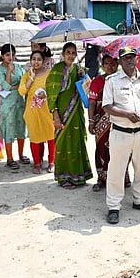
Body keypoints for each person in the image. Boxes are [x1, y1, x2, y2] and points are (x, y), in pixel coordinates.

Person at [102, 47, 140, 225]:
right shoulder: (112, 81)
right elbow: (107, 106)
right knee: (116, 170)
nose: (129, 60)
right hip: (121, 131)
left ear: (137, 59)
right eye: (125, 58)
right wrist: (126, 114)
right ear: (119, 61)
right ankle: (113, 206)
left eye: (132, 57)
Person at [47, 42, 93, 188]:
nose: (71, 56)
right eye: (68, 52)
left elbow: (87, 89)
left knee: (77, 142)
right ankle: (63, 177)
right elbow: (51, 94)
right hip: (62, 112)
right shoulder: (56, 70)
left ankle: (79, 175)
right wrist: (55, 114)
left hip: (76, 112)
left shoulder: (79, 69)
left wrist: (83, 76)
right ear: (63, 54)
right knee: (62, 142)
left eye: (73, 53)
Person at [88, 54, 126, 191]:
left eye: (113, 63)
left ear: (117, 64)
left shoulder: (122, 80)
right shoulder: (97, 82)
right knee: (101, 148)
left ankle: (121, 178)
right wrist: (91, 121)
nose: (110, 66)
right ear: (102, 66)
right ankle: (101, 178)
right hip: (100, 122)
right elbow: (92, 102)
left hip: (119, 121)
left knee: (119, 149)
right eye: (107, 64)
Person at [19, 51, 55, 174]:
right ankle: (37, 163)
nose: (36, 62)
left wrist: (45, 94)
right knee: (35, 137)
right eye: (33, 59)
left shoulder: (49, 74)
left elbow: (53, 89)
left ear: (43, 61)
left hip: (47, 111)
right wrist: (31, 78)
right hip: (32, 112)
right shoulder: (26, 76)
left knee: (51, 136)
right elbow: (21, 91)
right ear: (30, 61)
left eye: (39, 59)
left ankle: (51, 162)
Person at [0, 44, 29, 169]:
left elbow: (24, 83)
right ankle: (9, 158)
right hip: (7, 103)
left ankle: (21, 154)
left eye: (12, 54)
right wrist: (9, 71)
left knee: (21, 127)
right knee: (8, 128)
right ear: (2, 56)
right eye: (7, 55)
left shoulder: (19, 67)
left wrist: (16, 87)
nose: (10, 57)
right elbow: (5, 86)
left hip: (20, 100)